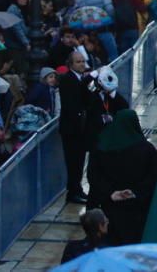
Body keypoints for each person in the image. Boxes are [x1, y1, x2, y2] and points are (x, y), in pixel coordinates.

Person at [86, 109, 157, 245]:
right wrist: (136, 193)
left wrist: (110, 193)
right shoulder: (147, 150)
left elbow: (93, 176)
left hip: (109, 211)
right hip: (138, 212)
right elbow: (154, 178)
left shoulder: (101, 147)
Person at [59, 51, 90, 204]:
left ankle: (77, 189)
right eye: (78, 62)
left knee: (79, 162)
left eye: (83, 61)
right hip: (71, 130)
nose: (82, 64)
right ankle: (72, 192)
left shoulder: (80, 79)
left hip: (81, 130)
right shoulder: (67, 79)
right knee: (73, 162)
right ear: (70, 64)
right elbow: (73, 102)